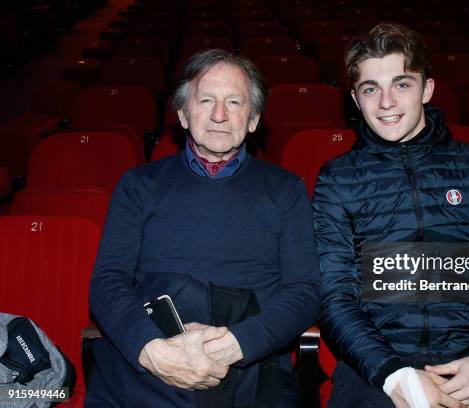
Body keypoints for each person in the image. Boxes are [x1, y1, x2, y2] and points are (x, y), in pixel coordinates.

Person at [312, 23, 469, 408]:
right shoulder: (337, 179)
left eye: (401, 84)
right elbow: (334, 297)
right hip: (378, 367)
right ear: (356, 98)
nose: (386, 102)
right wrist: (394, 375)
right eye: (371, 89)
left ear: (427, 89)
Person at [86, 49, 321, 407]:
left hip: (250, 367)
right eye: (206, 99)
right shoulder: (139, 184)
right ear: (182, 114)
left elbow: (305, 290)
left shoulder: (286, 190)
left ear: (254, 118)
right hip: (151, 366)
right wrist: (153, 352)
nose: (219, 115)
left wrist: (235, 345)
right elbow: (108, 280)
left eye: (234, 102)